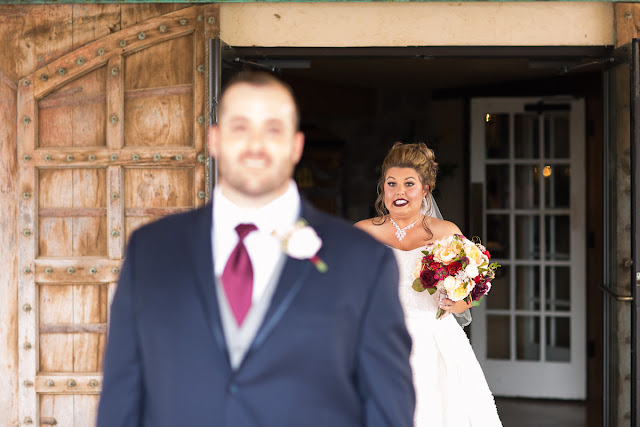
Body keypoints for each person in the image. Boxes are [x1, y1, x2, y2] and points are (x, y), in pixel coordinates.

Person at [96, 71, 415, 427]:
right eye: (240, 127)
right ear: (214, 140)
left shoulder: (363, 261)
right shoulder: (151, 251)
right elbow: (121, 397)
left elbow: (389, 408)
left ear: (296, 145)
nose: (256, 144)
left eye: (273, 129)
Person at [355, 142, 502, 427]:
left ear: (425, 189)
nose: (399, 191)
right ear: (382, 188)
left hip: (435, 345)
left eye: (409, 184)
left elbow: (473, 286)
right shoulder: (362, 232)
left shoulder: (446, 233)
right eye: (392, 183)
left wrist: (461, 302)